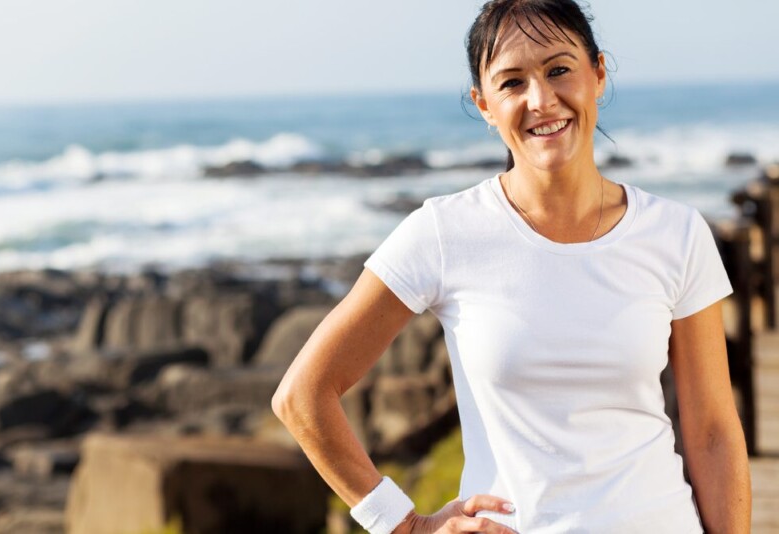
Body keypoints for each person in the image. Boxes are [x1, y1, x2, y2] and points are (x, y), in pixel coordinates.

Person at [272, 0, 752, 532]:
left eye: (559, 70)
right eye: (512, 83)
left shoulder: (677, 233)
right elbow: (302, 396)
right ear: (483, 105)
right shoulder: (443, 233)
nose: (541, 100)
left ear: (597, 74)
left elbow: (711, 430)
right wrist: (405, 525)